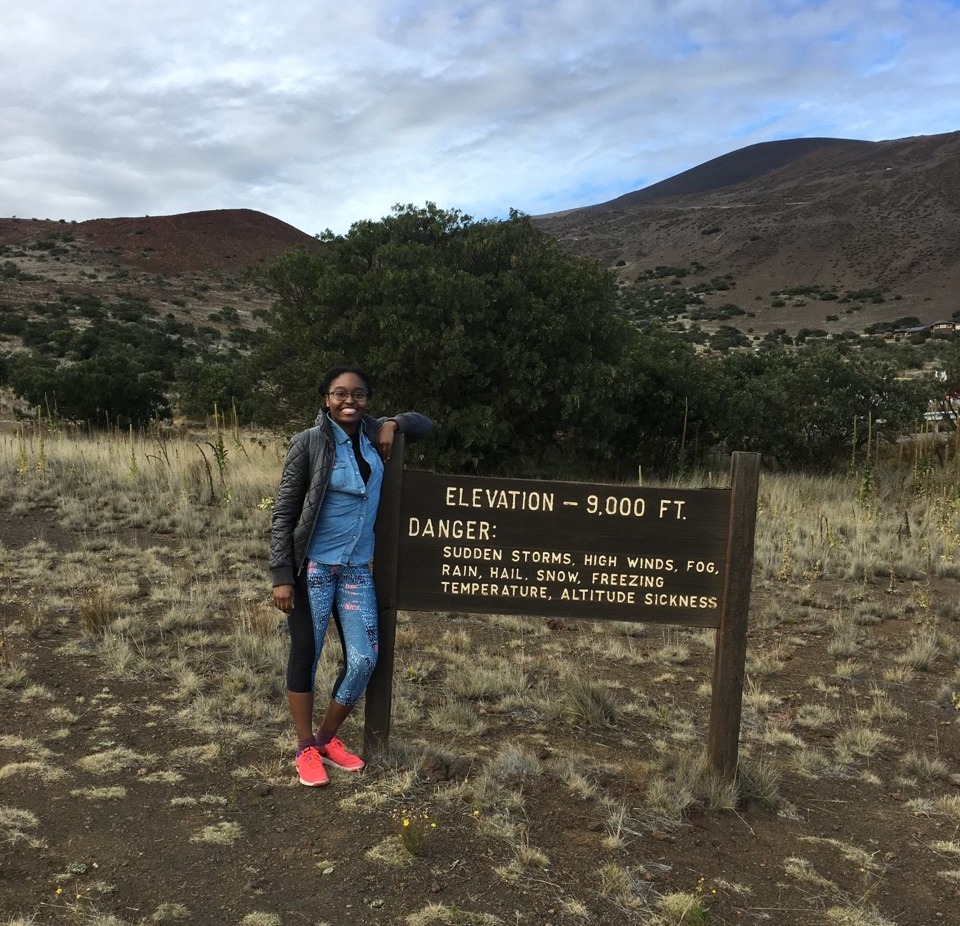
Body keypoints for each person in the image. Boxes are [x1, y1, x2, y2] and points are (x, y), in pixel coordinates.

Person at [269, 366, 433, 786]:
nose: (349, 401)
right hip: (316, 568)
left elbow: (426, 425)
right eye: (339, 394)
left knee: (363, 660)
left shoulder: (375, 433)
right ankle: (304, 748)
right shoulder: (307, 443)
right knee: (307, 652)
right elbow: (285, 511)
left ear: (367, 400)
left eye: (358, 394)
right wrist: (282, 574)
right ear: (325, 398)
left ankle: (326, 738)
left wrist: (393, 423)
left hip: (358, 569)